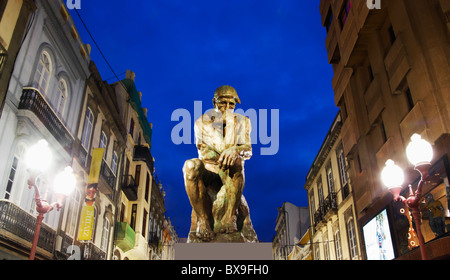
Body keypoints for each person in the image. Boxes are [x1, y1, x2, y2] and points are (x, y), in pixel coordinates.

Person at [183, 85, 256, 242]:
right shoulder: (201, 122)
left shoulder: (243, 121)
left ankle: (231, 217)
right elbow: (209, 149)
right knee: (190, 166)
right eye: (223, 103)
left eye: (232, 104)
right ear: (214, 102)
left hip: (231, 170)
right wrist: (231, 150)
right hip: (209, 170)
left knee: (237, 161)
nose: (227, 107)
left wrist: (236, 150)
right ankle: (203, 223)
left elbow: (248, 149)